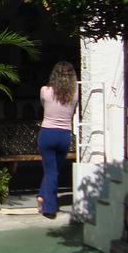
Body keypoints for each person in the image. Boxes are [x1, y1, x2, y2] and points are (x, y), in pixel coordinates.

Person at [37, 61, 78, 218]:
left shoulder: (45, 91)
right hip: (64, 135)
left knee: (51, 170)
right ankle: (42, 196)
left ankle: (49, 208)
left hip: (47, 134)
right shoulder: (75, 92)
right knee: (53, 170)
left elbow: (43, 105)